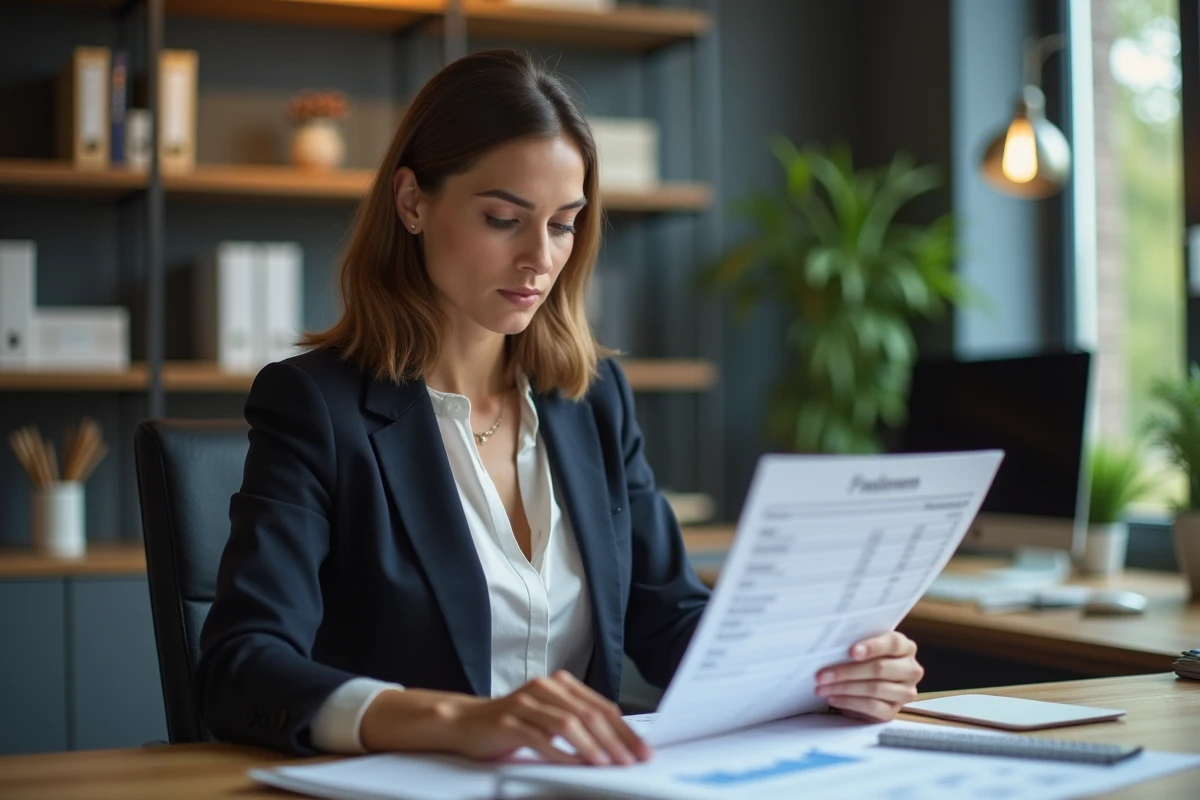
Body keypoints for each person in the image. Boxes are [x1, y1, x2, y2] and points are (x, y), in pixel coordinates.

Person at [195, 48, 924, 766]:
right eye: (503, 219)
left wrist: (824, 671)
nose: (540, 258)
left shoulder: (593, 400)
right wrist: (457, 719)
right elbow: (241, 668)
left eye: (564, 223)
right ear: (413, 202)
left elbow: (666, 615)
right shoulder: (317, 407)